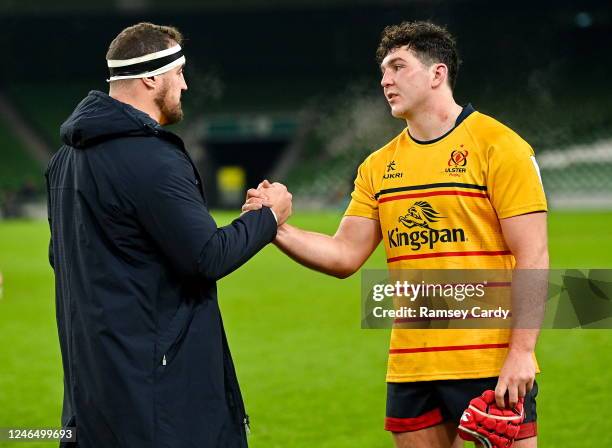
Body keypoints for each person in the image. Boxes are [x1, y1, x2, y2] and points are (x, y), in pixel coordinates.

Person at [245, 21, 547, 448]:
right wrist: (272, 224)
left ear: (436, 74)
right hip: (411, 369)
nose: (385, 80)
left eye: (398, 67)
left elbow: (533, 256)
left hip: (489, 364)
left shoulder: (501, 147)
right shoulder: (377, 166)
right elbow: (343, 255)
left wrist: (521, 354)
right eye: (383, 71)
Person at [46, 22, 292, 448]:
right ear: (150, 77)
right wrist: (268, 216)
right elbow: (206, 257)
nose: (185, 84)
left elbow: (61, 257)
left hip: (93, 396)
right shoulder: (152, 158)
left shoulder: (64, 161)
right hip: (159, 404)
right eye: (178, 72)